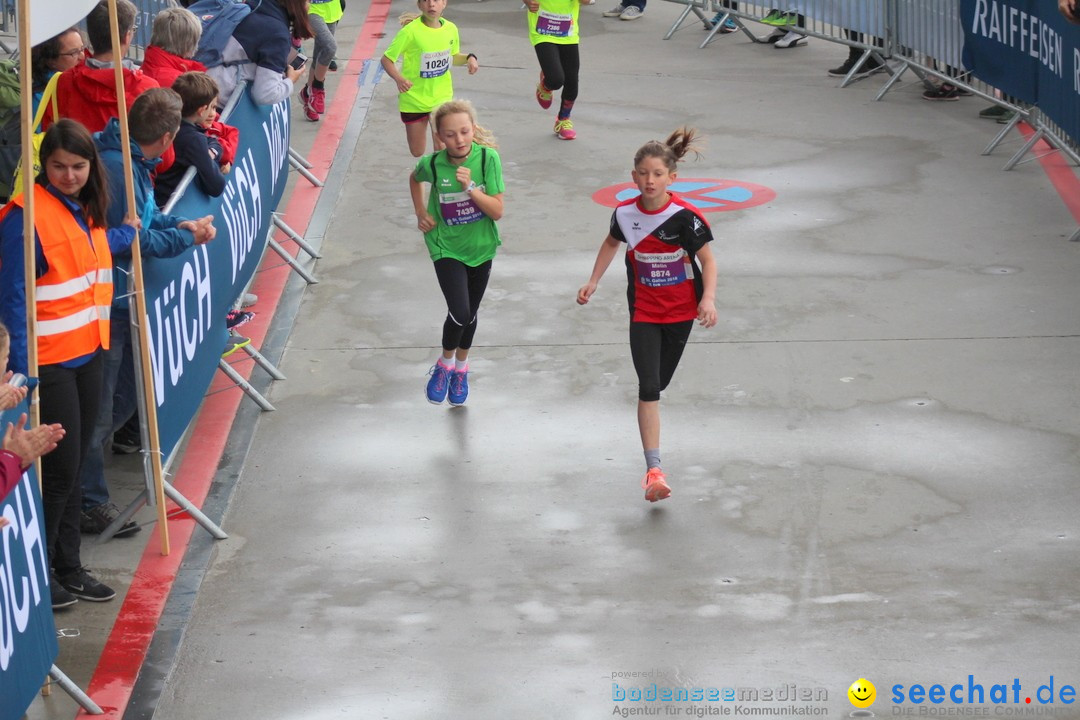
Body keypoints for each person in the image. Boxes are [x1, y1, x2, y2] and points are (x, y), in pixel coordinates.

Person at [0, 119, 140, 608]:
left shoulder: (85, 208)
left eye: (78, 166)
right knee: (59, 473)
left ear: (90, 166)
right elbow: (13, 299)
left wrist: (125, 233)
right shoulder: (26, 217)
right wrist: (23, 372)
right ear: (45, 166)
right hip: (50, 364)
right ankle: (51, 571)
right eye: (58, 167)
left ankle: (68, 565)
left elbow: (91, 255)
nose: (68, 175)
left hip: (88, 352)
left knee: (77, 463)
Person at [80, 89, 215, 538]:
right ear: (169, 135)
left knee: (118, 399)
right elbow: (133, 241)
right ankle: (88, 501)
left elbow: (147, 220)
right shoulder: (119, 169)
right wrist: (187, 239)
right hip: (107, 304)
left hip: (116, 301)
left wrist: (180, 226)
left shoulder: (127, 160)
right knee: (104, 407)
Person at [576, 128, 717, 503]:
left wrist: (709, 300)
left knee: (661, 381)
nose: (649, 180)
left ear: (672, 177)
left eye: (657, 174)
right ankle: (654, 471)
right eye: (643, 173)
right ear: (634, 175)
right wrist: (593, 281)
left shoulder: (685, 217)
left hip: (682, 311)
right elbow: (610, 243)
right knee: (649, 387)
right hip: (643, 312)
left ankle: (654, 460)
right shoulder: (624, 214)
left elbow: (707, 260)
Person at [409, 100, 503, 406]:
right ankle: (444, 364)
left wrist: (472, 189)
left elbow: (498, 211)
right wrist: (421, 211)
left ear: (473, 130)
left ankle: (461, 369)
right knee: (460, 312)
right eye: (450, 135)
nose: (459, 140)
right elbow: (414, 178)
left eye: (464, 132)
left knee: (470, 315)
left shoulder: (488, 158)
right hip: (444, 245)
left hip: (481, 246)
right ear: (439, 137)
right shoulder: (434, 164)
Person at [43, 0, 160, 133]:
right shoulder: (146, 87)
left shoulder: (64, 82)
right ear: (127, 37)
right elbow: (160, 147)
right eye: (132, 30)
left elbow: (50, 133)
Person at [381, 0, 480, 157]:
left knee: (442, 147)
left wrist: (469, 57)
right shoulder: (410, 32)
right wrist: (399, 79)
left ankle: (440, 180)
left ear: (444, 3)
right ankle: (426, 173)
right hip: (414, 99)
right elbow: (386, 60)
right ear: (420, 5)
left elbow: (453, 57)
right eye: (426, 1)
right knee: (417, 151)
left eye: (435, 0)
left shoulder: (450, 29)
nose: (431, 5)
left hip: (441, 99)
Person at [207, 0, 313, 107]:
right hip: (219, 104)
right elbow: (264, 95)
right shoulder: (277, 34)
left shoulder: (252, 7)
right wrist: (290, 80)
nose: (310, 5)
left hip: (203, 84)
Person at [155, 72, 231, 204]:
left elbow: (212, 141)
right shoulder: (193, 140)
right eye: (212, 107)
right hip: (166, 203)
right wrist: (209, 155)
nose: (213, 112)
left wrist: (212, 151)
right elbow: (216, 185)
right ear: (202, 110)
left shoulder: (170, 121)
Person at [525, 0, 588, 140]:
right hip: (542, 30)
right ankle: (546, 85)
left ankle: (563, 120)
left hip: (568, 32)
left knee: (572, 81)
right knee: (555, 79)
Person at [299, 0, 345, 122]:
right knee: (330, 47)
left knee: (320, 53)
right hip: (312, 8)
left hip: (331, 7)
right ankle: (317, 89)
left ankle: (308, 93)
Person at [29, 27, 86, 118]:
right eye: (73, 53)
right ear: (51, 61)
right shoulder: (41, 99)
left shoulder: (81, 80)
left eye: (82, 49)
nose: (82, 57)